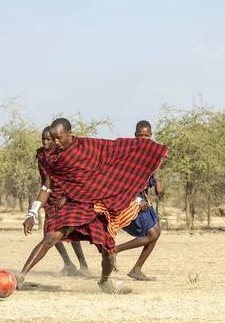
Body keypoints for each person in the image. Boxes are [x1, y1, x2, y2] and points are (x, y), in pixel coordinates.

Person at [16, 118, 168, 293]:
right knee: (50, 237)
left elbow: (116, 151)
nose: (56, 143)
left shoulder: (88, 147)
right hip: (76, 205)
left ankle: (104, 281)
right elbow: (46, 187)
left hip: (98, 206)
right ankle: (21, 277)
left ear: (69, 134)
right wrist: (32, 213)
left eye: (59, 138)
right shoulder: (54, 158)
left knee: (108, 251)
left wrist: (150, 149)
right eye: (53, 138)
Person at [28, 126, 91, 280]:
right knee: (50, 233)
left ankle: (83, 264)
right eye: (43, 139)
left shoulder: (60, 155)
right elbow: (44, 178)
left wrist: (66, 195)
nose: (46, 142)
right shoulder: (41, 154)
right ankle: (68, 263)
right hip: (49, 196)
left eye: (49, 139)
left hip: (64, 196)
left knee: (70, 230)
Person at [113, 120, 164, 281]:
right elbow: (122, 180)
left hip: (143, 197)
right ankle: (116, 250)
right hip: (131, 199)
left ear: (151, 136)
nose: (143, 139)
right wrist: (136, 200)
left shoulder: (151, 152)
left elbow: (151, 171)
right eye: (140, 135)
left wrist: (157, 181)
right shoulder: (129, 153)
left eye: (146, 136)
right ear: (135, 136)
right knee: (153, 233)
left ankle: (136, 269)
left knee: (156, 232)